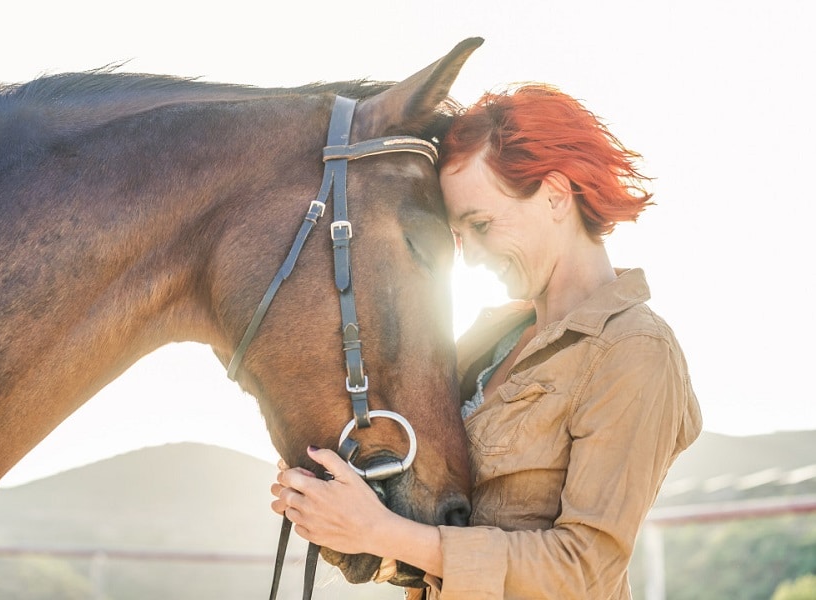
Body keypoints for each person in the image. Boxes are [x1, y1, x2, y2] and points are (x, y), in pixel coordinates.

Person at [271, 83, 702, 599]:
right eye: (459, 237)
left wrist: (383, 532)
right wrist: (339, 516)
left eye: (481, 225)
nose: (470, 257)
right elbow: (440, 547)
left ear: (557, 195)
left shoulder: (633, 350)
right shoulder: (489, 341)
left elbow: (585, 572)